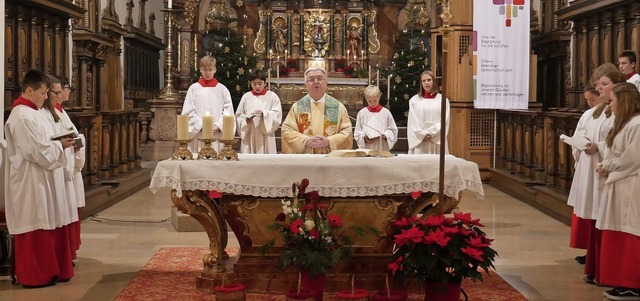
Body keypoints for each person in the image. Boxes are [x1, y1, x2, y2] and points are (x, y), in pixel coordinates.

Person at [4, 69, 76, 287]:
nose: (46, 98)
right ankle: (36, 275)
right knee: (36, 221)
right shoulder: (21, 115)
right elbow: (36, 151)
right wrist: (59, 145)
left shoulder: (35, 112)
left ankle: (54, 270)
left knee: (49, 220)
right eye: (43, 93)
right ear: (29, 90)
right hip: (30, 180)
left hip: (45, 176)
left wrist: (58, 143)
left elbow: (46, 142)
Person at [579, 65, 626, 286]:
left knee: (607, 223)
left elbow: (619, 146)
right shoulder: (600, 111)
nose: (599, 90)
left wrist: (601, 151)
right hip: (599, 169)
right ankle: (597, 267)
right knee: (598, 220)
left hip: (612, 173)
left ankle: (607, 272)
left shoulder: (623, 115)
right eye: (598, 85)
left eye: (603, 85)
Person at [595, 83, 640, 300]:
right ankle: (621, 280)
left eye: (612, 100)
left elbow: (632, 158)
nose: (609, 104)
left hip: (631, 185)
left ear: (624, 101)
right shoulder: (625, 124)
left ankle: (632, 283)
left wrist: (609, 166)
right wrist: (608, 165)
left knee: (629, 231)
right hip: (619, 183)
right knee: (618, 232)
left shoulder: (637, 124)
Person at [281, 66, 353, 154]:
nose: (316, 82)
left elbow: (347, 132)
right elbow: (287, 131)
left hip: (330, 159)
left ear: (326, 83)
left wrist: (329, 141)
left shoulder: (338, 107)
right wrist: (306, 141)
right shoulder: (297, 107)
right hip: (305, 160)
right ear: (306, 85)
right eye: (311, 79)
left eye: (319, 78)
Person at [55, 76, 86, 259]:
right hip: (64, 166)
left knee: (72, 208)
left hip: (70, 165)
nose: (67, 92)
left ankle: (70, 250)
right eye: (65, 88)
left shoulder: (61, 112)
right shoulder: (53, 113)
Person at [181, 55, 235, 153]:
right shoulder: (194, 89)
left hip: (216, 133)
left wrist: (219, 126)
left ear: (215, 69)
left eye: (210, 69)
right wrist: (201, 125)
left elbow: (228, 112)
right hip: (199, 132)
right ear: (200, 70)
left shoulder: (222, 89)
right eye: (205, 70)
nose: (208, 73)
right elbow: (188, 111)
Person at [235, 70, 282, 154]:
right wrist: (245, 120)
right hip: (250, 133)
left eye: (260, 84)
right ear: (251, 83)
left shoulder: (272, 96)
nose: (257, 86)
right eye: (254, 84)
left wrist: (264, 114)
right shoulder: (246, 97)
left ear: (265, 83)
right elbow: (238, 115)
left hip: (266, 134)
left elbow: (277, 115)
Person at [407, 70, 450, 154]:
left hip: (436, 139)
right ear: (421, 83)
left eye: (429, 80)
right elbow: (413, 121)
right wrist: (422, 134)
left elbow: (445, 120)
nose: (426, 83)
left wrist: (431, 133)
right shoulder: (414, 100)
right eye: (423, 81)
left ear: (434, 81)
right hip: (420, 141)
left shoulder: (443, 100)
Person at [353, 85, 398, 151]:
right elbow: (357, 132)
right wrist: (364, 138)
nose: (372, 104)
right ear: (366, 99)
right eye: (369, 101)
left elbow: (393, 130)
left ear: (379, 97)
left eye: (375, 101)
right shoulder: (362, 113)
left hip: (382, 147)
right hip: (367, 147)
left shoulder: (386, 113)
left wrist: (385, 136)